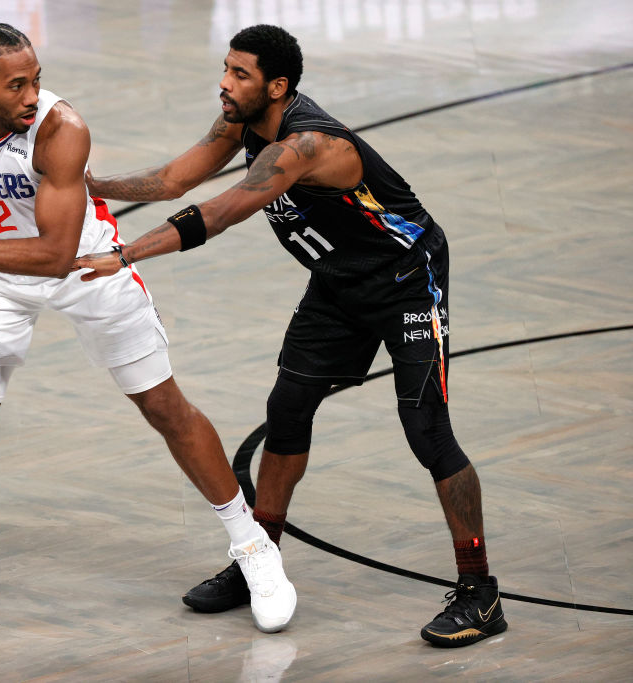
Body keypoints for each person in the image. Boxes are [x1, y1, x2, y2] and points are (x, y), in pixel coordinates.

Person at [0, 23, 296, 663]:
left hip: (84, 266)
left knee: (165, 407)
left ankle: (255, 550)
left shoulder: (62, 129)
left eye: (36, 79)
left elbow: (53, 255)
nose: (34, 94)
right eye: (17, 84)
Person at [74, 24, 507, 648]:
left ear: (278, 87)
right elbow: (173, 181)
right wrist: (88, 185)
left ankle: (480, 593)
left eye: (240, 75)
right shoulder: (240, 123)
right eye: (226, 68)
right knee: (286, 411)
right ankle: (260, 559)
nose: (224, 84)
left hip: (407, 280)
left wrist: (127, 253)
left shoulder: (305, 146)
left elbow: (219, 213)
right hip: (338, 285)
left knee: (426, 429)